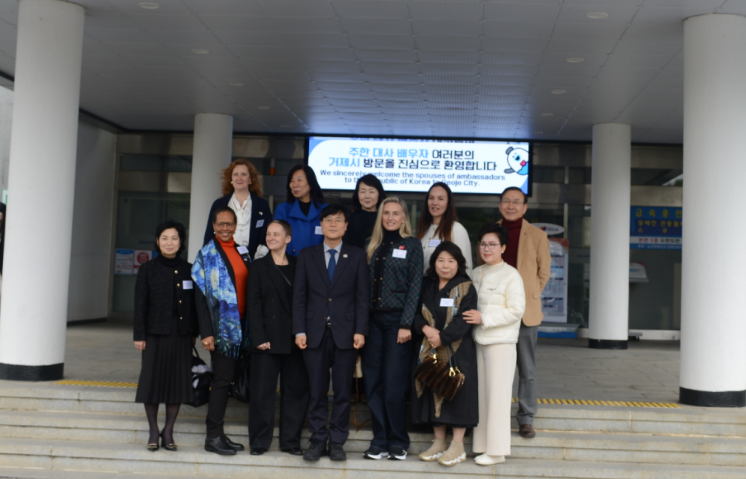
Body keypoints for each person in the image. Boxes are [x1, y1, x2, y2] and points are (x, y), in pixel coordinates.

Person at [293, 204, 369, 462]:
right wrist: (299, 330)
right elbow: (299, 296)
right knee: (316, 391)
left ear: (346, 226)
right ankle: (317, 439)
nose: (333, 224)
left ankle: (337, 441)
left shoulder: (357, 255)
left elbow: (362, 297)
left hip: (346, 333)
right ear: (321, 225)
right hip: (313, 332)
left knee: (343, 392)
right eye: (328, 220)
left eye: (338, 220)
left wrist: (360, 330)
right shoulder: (307, 255)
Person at [361, 197, 423, 461]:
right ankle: (380, 440)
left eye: (396, 213)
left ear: (404, 217)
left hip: (398, 322)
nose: (390, 217)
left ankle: (398, 440)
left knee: (394, 383)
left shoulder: (412, 245)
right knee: (373, 382)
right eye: (386, 213)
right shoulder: (371, 244)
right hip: (372, 322)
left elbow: (415, 286)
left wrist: (406, 323)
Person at [412, 241, 478, 467]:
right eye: (441, 260)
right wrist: (426, 329)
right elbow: (414, 311)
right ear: (434, 263)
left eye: (451, 261)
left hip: (458, 349)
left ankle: (457, 446)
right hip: (430, 347)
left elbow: (464, 320)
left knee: (457, 393)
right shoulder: (426, 284)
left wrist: (443, 337)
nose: (445, 265)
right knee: (434, 390)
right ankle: (439, 442)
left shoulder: (466, 287)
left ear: (459, 264)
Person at [133, 220, 198, 452]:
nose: (169, 242)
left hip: (181, 334)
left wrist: (194, 332)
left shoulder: (189, 269)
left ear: (181, 242)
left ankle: (168, 431)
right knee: (152, 382)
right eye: (164, 238)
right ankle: (153, 430)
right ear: (157, 241)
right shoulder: (148, 269)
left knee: (176, 383)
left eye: (174, 238)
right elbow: (140, 304)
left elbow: (194, 305)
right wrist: (139, 335)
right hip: (154, 334)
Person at [248, 220, 310, 456]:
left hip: (295, 339)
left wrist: (303, 332)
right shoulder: (258, 266)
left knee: (295, 393)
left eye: (276, 234)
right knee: (262, 394)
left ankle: (290, 442)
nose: (271, 237)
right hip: (267, 339)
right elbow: (254, 304)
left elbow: (306, 301)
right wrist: (258, 337)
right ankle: (259, 442)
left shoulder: (299, 264)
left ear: (288, 238)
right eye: (268, 234)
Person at [192, 206, 251, 456]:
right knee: (222, 381)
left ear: (235, 226)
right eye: (220, 224)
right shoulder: (206, 255)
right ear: (214, 226)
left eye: (229, 224)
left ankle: (220, 435)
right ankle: (213, 436)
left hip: (245, 327)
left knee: (230, 380)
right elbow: (200, 299)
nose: (225, 228)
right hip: (222, 331)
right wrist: (206, 333)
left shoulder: (242, 251)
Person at [465, 223, 525, 466]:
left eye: (492, 244)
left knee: (498, 398)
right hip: (478, 341)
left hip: (500, 342)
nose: (486, 248)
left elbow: (517, 310)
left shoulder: (511, 275)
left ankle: (498, 451)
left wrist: (485, 319)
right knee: (482, 397)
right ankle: (482, 446)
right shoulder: (475, 273)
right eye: (483, 244)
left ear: (503, 247)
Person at [497, 186, 551, 439]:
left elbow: (543, 272)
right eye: (506, 201)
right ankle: (496, 415)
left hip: (526, 313)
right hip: (496, 311)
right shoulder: (491, 232)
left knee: (527, 369)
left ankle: (526, 418)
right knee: (497, 366)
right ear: (500, 205)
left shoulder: (537, 236)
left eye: (516, 202)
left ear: (525, 207)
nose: (511, 206)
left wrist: (529, 296)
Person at [202, 159, 272, 259]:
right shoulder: (219, 204)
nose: (239, 178)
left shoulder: (262, 205)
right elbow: (209, 235)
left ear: (250, 179)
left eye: (243, 174)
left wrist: (259, 260)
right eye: (235, 174)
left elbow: (267, 234)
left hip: (255, 260)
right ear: (231, 178)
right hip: (224, 259)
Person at [417, 182, 473, 274]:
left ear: (448, 203)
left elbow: (466, 268)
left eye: (440, 199)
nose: (435, 203)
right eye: (431, 198)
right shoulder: (424, 229)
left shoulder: (457, 229)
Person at [274, 165, 328, 256]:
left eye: (299, 180)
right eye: (292, 181)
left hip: (318, 261)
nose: (295, 184)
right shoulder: (283, 209)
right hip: (289, 261)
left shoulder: (325, 209)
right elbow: (277, 239)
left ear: (311, 184)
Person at [343, 174, 386, 249]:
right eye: (362, 192)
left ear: (379, 194)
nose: (367, 196)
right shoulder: (349, 219)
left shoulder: (385, 218)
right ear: (357, 194)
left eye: (371, 192)